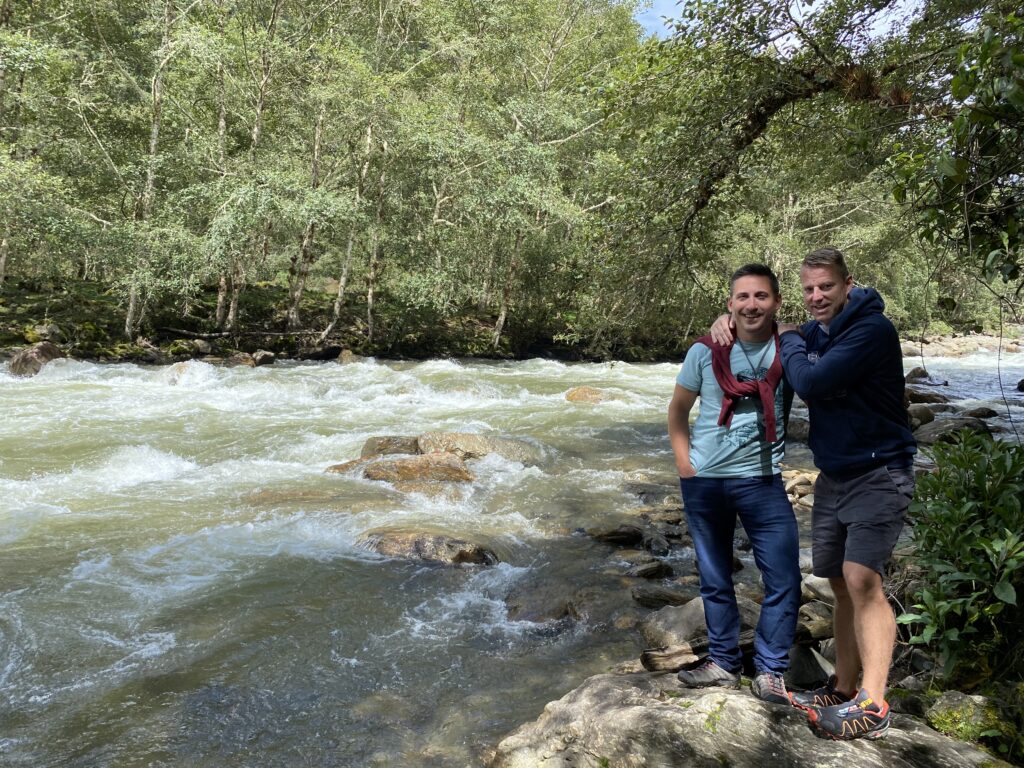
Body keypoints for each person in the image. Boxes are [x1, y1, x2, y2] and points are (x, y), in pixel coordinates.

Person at [711, 247, 916, 740]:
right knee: (838, 582)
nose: (817, 296)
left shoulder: (870, 329)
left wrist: (788, 335)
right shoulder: (819, 330)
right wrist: (728, 319)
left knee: (862, 579)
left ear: (848, 284)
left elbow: (812, 381)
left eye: (826, 286)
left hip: (880, 471)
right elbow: (758, 322)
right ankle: (843, 686)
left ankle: (873, 701)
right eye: (809, 289)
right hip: (834, 474)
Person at [668, 263, 801, 706]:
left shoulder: (790, 346)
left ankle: (770, 671)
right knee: (714, 577)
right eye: (742, 297)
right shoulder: (705, 350)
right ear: (729, 305)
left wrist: (788, 327)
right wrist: (685, 465)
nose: (751, 305)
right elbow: (678, 410)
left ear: (777, 303)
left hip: (762, 480)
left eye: (761, 296)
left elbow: (826, 325)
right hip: (705, 482)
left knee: (783, 578)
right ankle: (723, 663)